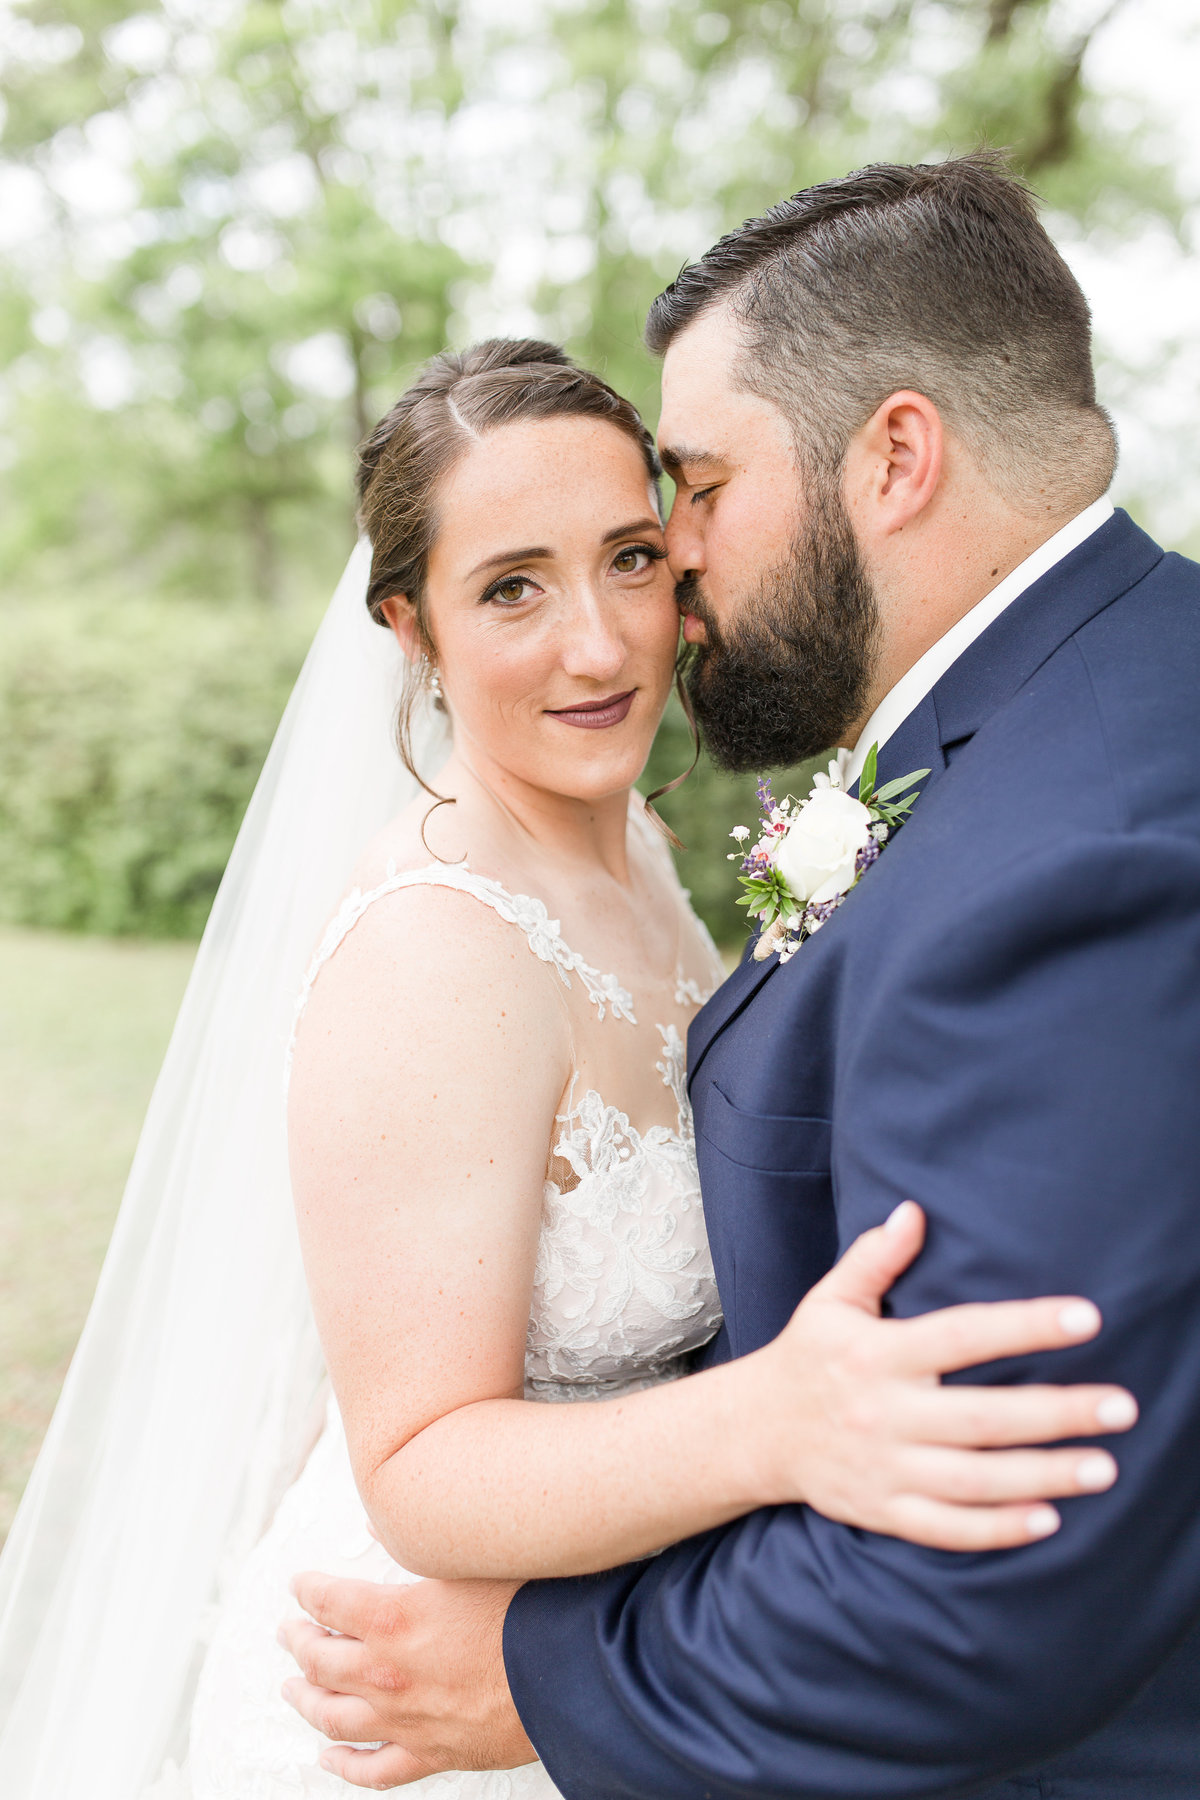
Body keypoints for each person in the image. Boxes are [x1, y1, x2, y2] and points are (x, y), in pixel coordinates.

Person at [280, 157, 1200, 1797]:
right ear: (414, 633)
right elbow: (423, 1447)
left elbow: (1007, 1557)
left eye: (657, 528)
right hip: (470, 1662)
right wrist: (765, 1422)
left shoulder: (731, 858)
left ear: (895, 456)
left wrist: (563, 1661)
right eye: (509, 587)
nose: (631, 618)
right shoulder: (435, 943)